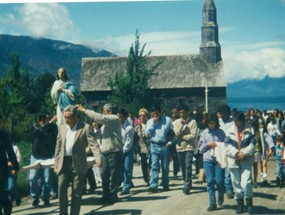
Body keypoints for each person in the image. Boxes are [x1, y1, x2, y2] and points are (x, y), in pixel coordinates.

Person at [54, 105, 101, 215]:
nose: (66, 120)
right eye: (65, 117)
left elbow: (93, 144)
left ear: (75, 117)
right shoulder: (61, 127)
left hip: (78, 163)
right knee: (61, 188)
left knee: (76, 192)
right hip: (63, 163)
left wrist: (98, 158)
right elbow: (58, 147)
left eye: (69, 117)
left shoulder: (85, 127)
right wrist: (56, 164)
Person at [77, 103, 123, 204]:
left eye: (104, 111)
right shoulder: (105, 126)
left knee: (114, 175)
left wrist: (85, 110)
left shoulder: (114, 118)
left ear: (110, 112)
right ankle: (106, 195)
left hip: (115, 151)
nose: (103, 113)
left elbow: (99, 117)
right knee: (104, 174)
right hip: (105, 152)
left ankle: (113, 194)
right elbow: (98, 136)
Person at [225, 111, 255, 214]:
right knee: (236, 183)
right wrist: (236, 153)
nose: (235, 122)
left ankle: (249, 203)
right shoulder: (229, 131)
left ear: (242, 120)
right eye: (234, 120)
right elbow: (227, 146)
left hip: (246, 160)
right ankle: (240, 204)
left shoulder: (250, 130)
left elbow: (253, 144)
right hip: (233, 160)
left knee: (246, 183)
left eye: (237, 120)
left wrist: (244, 153)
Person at [199, 113, 226, 211]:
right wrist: (208, 144)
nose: (211, 125)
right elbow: (200, 148)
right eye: (209, 123)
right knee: (210, 181)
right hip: (207, 160)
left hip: (219, 160)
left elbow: (226, 145)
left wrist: (218, 145)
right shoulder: (204, 133)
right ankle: (212, 202)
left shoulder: (221, 132)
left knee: (219, 181)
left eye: (213, 123)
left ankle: (221, 193)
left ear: (216, 122)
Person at [145, 105, 175, 193]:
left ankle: (165, 184)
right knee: (154, 166)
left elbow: (173, 133)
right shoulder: (150, 121)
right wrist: (153, 123)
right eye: (153, 114)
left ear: (160, 113)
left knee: (165, 166)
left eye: (156, 114)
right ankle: (153, 185)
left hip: (164, 145)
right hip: (154, 145)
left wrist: (170, 143)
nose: (155, 116)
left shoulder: (167, 120)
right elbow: (147, 133)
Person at [29, 114, 57, 207]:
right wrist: (50, 122)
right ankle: (35, 197)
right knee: (32, 177)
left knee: (47, 178)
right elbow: (41, 131)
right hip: (36, 156)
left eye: (44, 119)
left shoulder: (53, 128)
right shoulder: (35, 127)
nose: (42, 121)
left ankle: (46, 198)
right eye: (41, 119)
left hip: (48, 156)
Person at [172, 104, 198, 195]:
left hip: (189, 147)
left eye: (184, 112)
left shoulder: (193, 122)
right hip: (179, 148)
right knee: (183, 166)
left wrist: (183, 137)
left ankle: (186, 185)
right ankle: (187, 180)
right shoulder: (176, 122)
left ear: (187, 112)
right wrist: (182, 127)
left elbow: (193, 136)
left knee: (188, 166)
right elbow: (175, 135)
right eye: (180, 113)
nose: (182, 114)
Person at [0, 114, 19, 215]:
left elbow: (10, 151)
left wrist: (15, 165)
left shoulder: (4, 135)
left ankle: (7, 206)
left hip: (1, 168)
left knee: (1, 191)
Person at [217, 104, 235, 199]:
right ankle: (221, 187)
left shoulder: (232, 122)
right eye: (221, 113)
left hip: (229, 148)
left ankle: (229, 189)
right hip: (219, 149)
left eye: (224, 113)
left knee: (228, 170)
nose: (223, 115)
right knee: (220, 170)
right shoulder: (218, 122)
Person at [117, 108, 135, 195]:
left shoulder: (129, 128)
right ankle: (128, 182)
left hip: (128, 149)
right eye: (117, 116)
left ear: (124, 117)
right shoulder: (117, 126)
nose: (118, 118)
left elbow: (129, 141)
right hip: (119, 148)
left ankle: (126, 187)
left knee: (127, 168)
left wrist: (123, 150)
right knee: (120, 169)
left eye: (120, 117)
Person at [252, 119, 273, 187]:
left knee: (263, 164)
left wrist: (270, 149)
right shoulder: (251, 132)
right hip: (254, 151)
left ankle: (263, 178)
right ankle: (255, 180)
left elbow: (269, 140)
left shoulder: (261, 132)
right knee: (255, 166)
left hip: (261, 150)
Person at [134, 108, 151, 186]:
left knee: (151, 163)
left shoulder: (150, 125)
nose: (142, 117)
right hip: (142, 148)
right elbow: (135, 138)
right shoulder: (137, 127)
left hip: (151, 146)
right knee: (143, 163)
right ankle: (146, 179)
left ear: (147, 116)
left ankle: (152, 177)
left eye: (144, 115)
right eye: (140, 116)